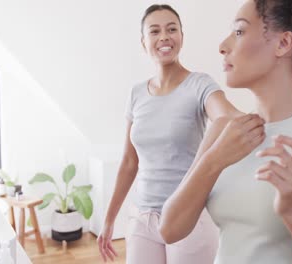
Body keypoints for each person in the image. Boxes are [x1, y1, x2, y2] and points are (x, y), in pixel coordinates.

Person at [160, 0, 292, 263]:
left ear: (283, 44)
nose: (223, 46)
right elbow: (170, 229)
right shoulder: (223, 130)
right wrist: (214, 160)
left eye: (239, 32)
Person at [96, 4, 264, 264]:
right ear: (144, 42)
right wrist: (108, 220)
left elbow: (227, 116)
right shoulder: (136, 94)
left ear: (181, 37)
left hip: (190, 217)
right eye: (155, 31)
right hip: (142, 218)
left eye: (171, 29)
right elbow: (129, 162)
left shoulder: (199, 84)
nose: (164, 36)